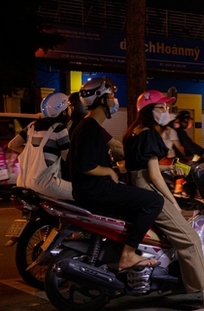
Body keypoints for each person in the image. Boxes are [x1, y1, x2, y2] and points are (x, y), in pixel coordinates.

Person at [122, 90, 204, 307]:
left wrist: (171, 171)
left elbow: (139, 168)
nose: (166, 112)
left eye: (167, 108)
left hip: (136, 189)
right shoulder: (149, 134)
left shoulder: (133, 132)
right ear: (147, 111)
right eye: (160, 108)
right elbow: (152, 174)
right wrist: (170, 199)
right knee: (190, 239)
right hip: (150, 192)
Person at [69, 77, 164, 271]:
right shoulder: (89, 127)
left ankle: (118, 249)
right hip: (97, 191)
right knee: (154, 201)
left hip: (92, 190)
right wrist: (110, 172)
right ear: (101, 100)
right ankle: (128, 254)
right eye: (111, 96)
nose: (114, 101)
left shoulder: (88, 126)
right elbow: (86, 165)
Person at [8, 92, 73, 200]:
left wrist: (31, 152)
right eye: (68, 108)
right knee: (80, 192)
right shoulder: (60, 129)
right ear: (64, 112)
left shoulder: (32, 126)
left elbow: (12, 145)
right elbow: (68, 159)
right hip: (44, 184)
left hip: (22, 182)